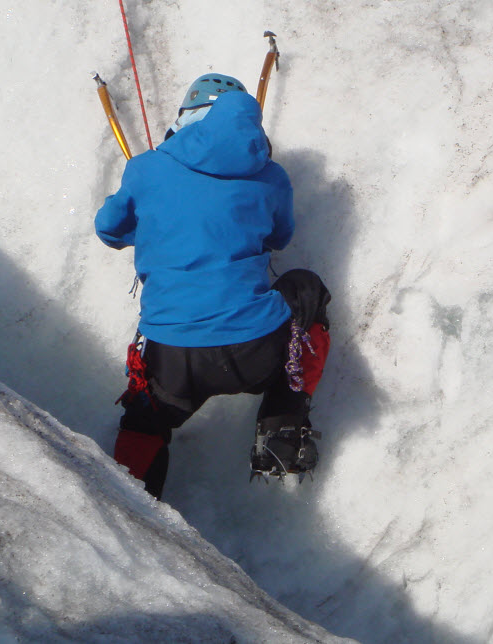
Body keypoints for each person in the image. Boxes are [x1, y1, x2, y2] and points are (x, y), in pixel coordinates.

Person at [95, 73, 330, 499]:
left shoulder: (147, 168)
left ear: (187, 118)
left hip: (173, 358)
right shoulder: (271, 176)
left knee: (144, 422)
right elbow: (280, 237)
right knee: (306, 289)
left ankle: (131, 510)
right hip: (258, 348)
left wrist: (155, 229)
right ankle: (282, 422)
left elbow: (108, 229)